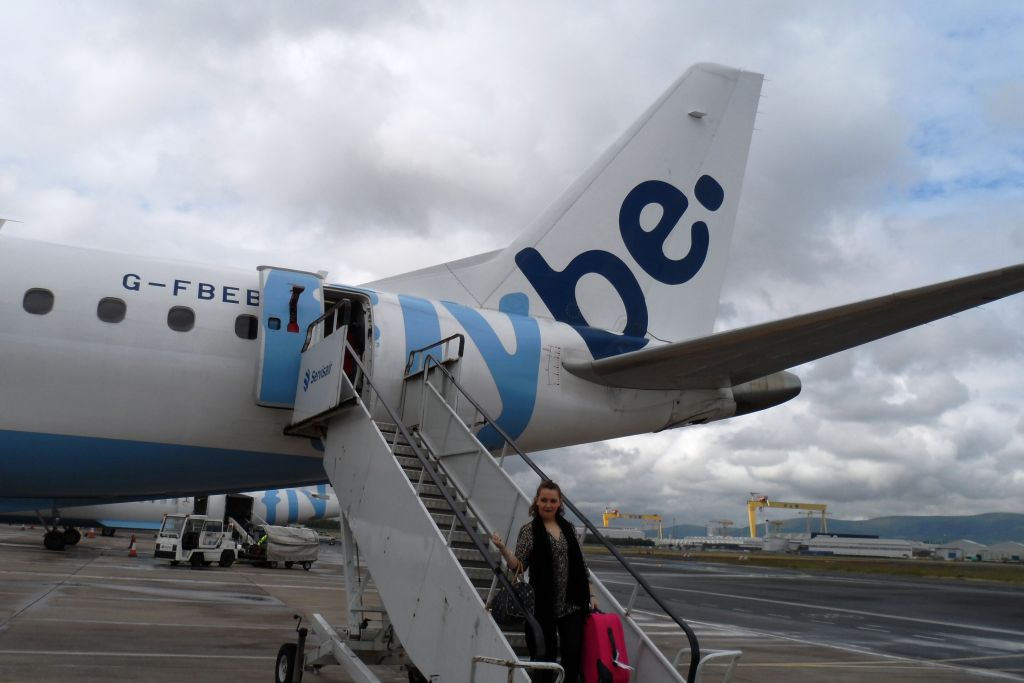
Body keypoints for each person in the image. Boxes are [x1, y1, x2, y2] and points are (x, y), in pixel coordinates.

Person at [492, 480, 598, 682]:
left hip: (572, 603)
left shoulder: (569, 529)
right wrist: (503, 548)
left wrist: (591, 594)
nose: (548, 505)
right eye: (544, 500)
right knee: (543, 657)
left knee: (572, 656)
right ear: (536, 502)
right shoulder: (529, 531)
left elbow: (581, 566)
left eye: (553, 501)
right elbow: (519, 566)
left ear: (559, 503)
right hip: (542, 605)